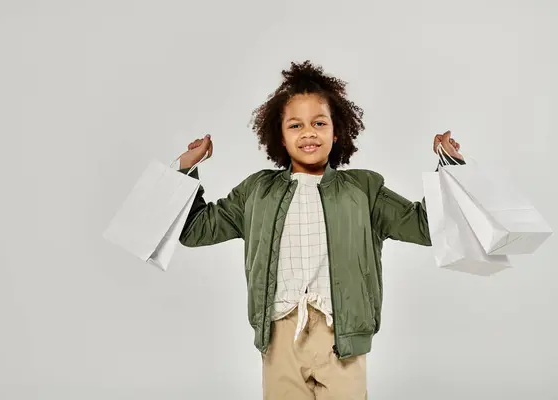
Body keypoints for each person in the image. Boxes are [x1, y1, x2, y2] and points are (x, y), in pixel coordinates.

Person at [176, 60, 464, 399]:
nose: (308, 132)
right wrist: (185, 170)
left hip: (341, 339)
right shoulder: (257, 192)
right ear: (280, 137)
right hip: (279, 335)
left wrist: (448, 166)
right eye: (295, 125)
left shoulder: (363, 190)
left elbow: (425, 226)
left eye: (319, 123)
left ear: (336, 130)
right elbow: (194, 229)